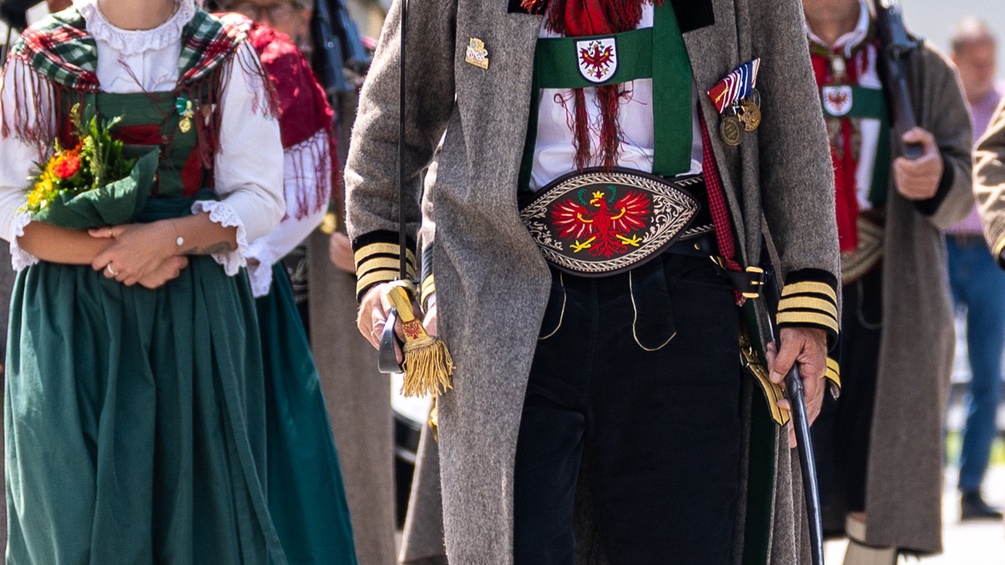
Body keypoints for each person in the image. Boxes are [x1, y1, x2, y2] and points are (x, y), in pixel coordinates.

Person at [346, 0, 842, 563]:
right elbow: (392, 121)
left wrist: (807, 299)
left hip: (684, 291)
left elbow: (793, 126)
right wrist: (383, 266)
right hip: (507, 297)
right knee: (514, 548)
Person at [0, 0, 291, 561]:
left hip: (190, 320)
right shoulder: (40, 54)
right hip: (72, 322)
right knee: (67, 518)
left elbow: (261, 198)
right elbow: (10, 203)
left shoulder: (225, 55)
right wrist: (111, 254)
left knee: (194, 522)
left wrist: (169, 239)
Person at [802, 0, 974, 562]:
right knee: (787, 471)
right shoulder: (763, 52)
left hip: (890, 295)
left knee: (881, 473)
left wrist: (938, 177)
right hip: (791, 291)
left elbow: (969, 185)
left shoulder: (922, 67)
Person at [215, 7, 360, 563]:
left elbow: (310, 194)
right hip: (188, 292)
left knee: (283, 460)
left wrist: (240, 252)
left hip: (271, 296)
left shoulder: (283, 60)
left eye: (284, 5)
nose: (270, 15)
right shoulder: (200, 51)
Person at [946, 17, 1005, 522]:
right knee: (931, 369)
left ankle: (970, 488)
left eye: (991, 57)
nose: (985, 68)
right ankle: (920, 484)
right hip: (940, 248)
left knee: (988, 375)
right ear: (956, 60)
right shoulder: (939, 104)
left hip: (991, 254)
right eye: (976, 58)